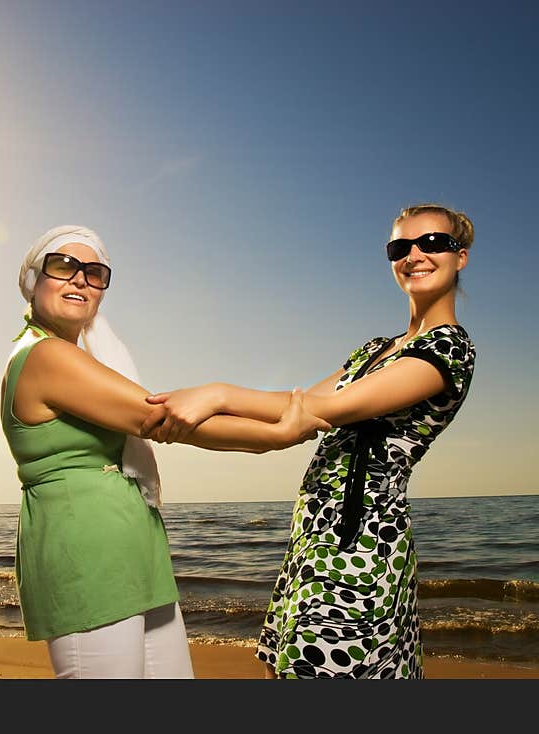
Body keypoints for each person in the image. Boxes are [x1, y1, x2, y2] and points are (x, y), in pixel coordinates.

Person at [141, 204, 476, 678]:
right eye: (400, 247)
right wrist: (180, 422)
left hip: (362, 544)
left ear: (460, 257)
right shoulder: (375, 348)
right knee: (285, 671)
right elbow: (295, 404)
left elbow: (322, 411)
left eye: (433, 243)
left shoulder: (449, 349)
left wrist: (216, 394)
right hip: (313, 535)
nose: (415, 255)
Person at [1, 224, 330, 679]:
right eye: (64, 266)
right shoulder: (46, 357)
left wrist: (301, 407)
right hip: (85, 555)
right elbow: (160, 418)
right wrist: (278, 433)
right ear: (35, 280)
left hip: (136, 549)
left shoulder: (80, 360)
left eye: (94, 273)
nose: (80, 279)